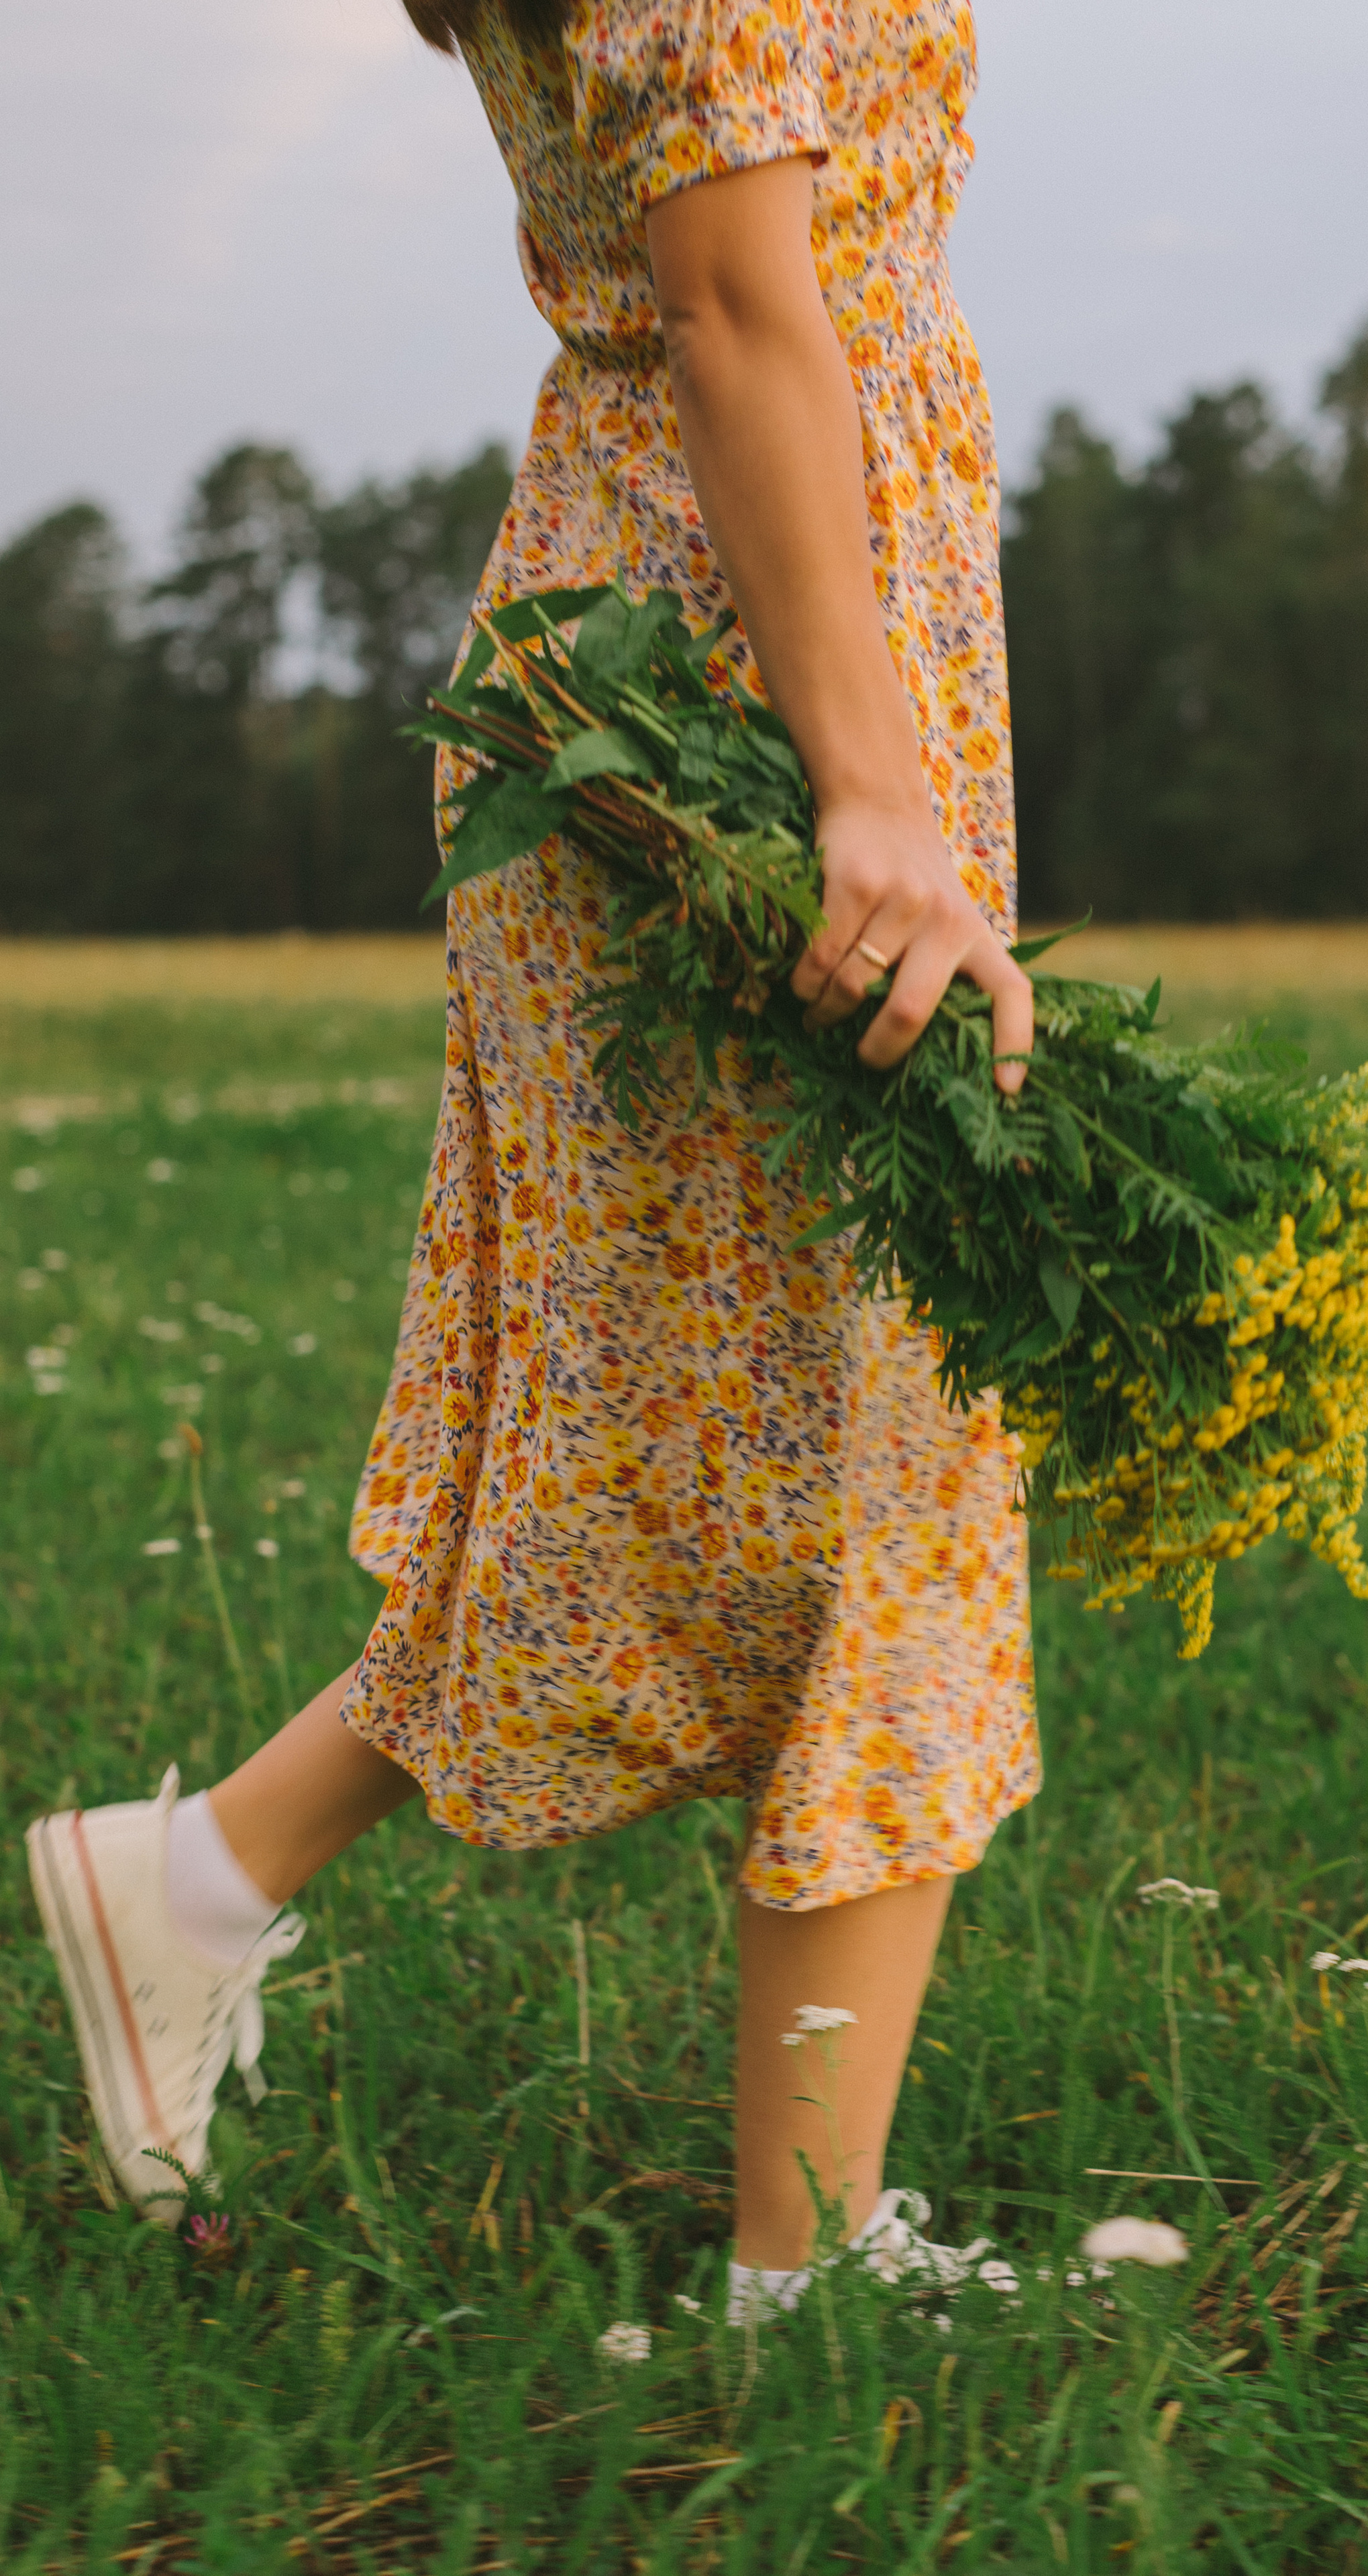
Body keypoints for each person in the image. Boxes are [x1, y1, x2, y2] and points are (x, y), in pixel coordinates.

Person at [26, 0, 1040, 2321]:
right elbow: (737, 295)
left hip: (702, 625)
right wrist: (867, 789)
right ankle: (804, 2272)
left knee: (711, 1442)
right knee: (882, 1436)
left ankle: (201, 1884)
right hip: (747, 673)